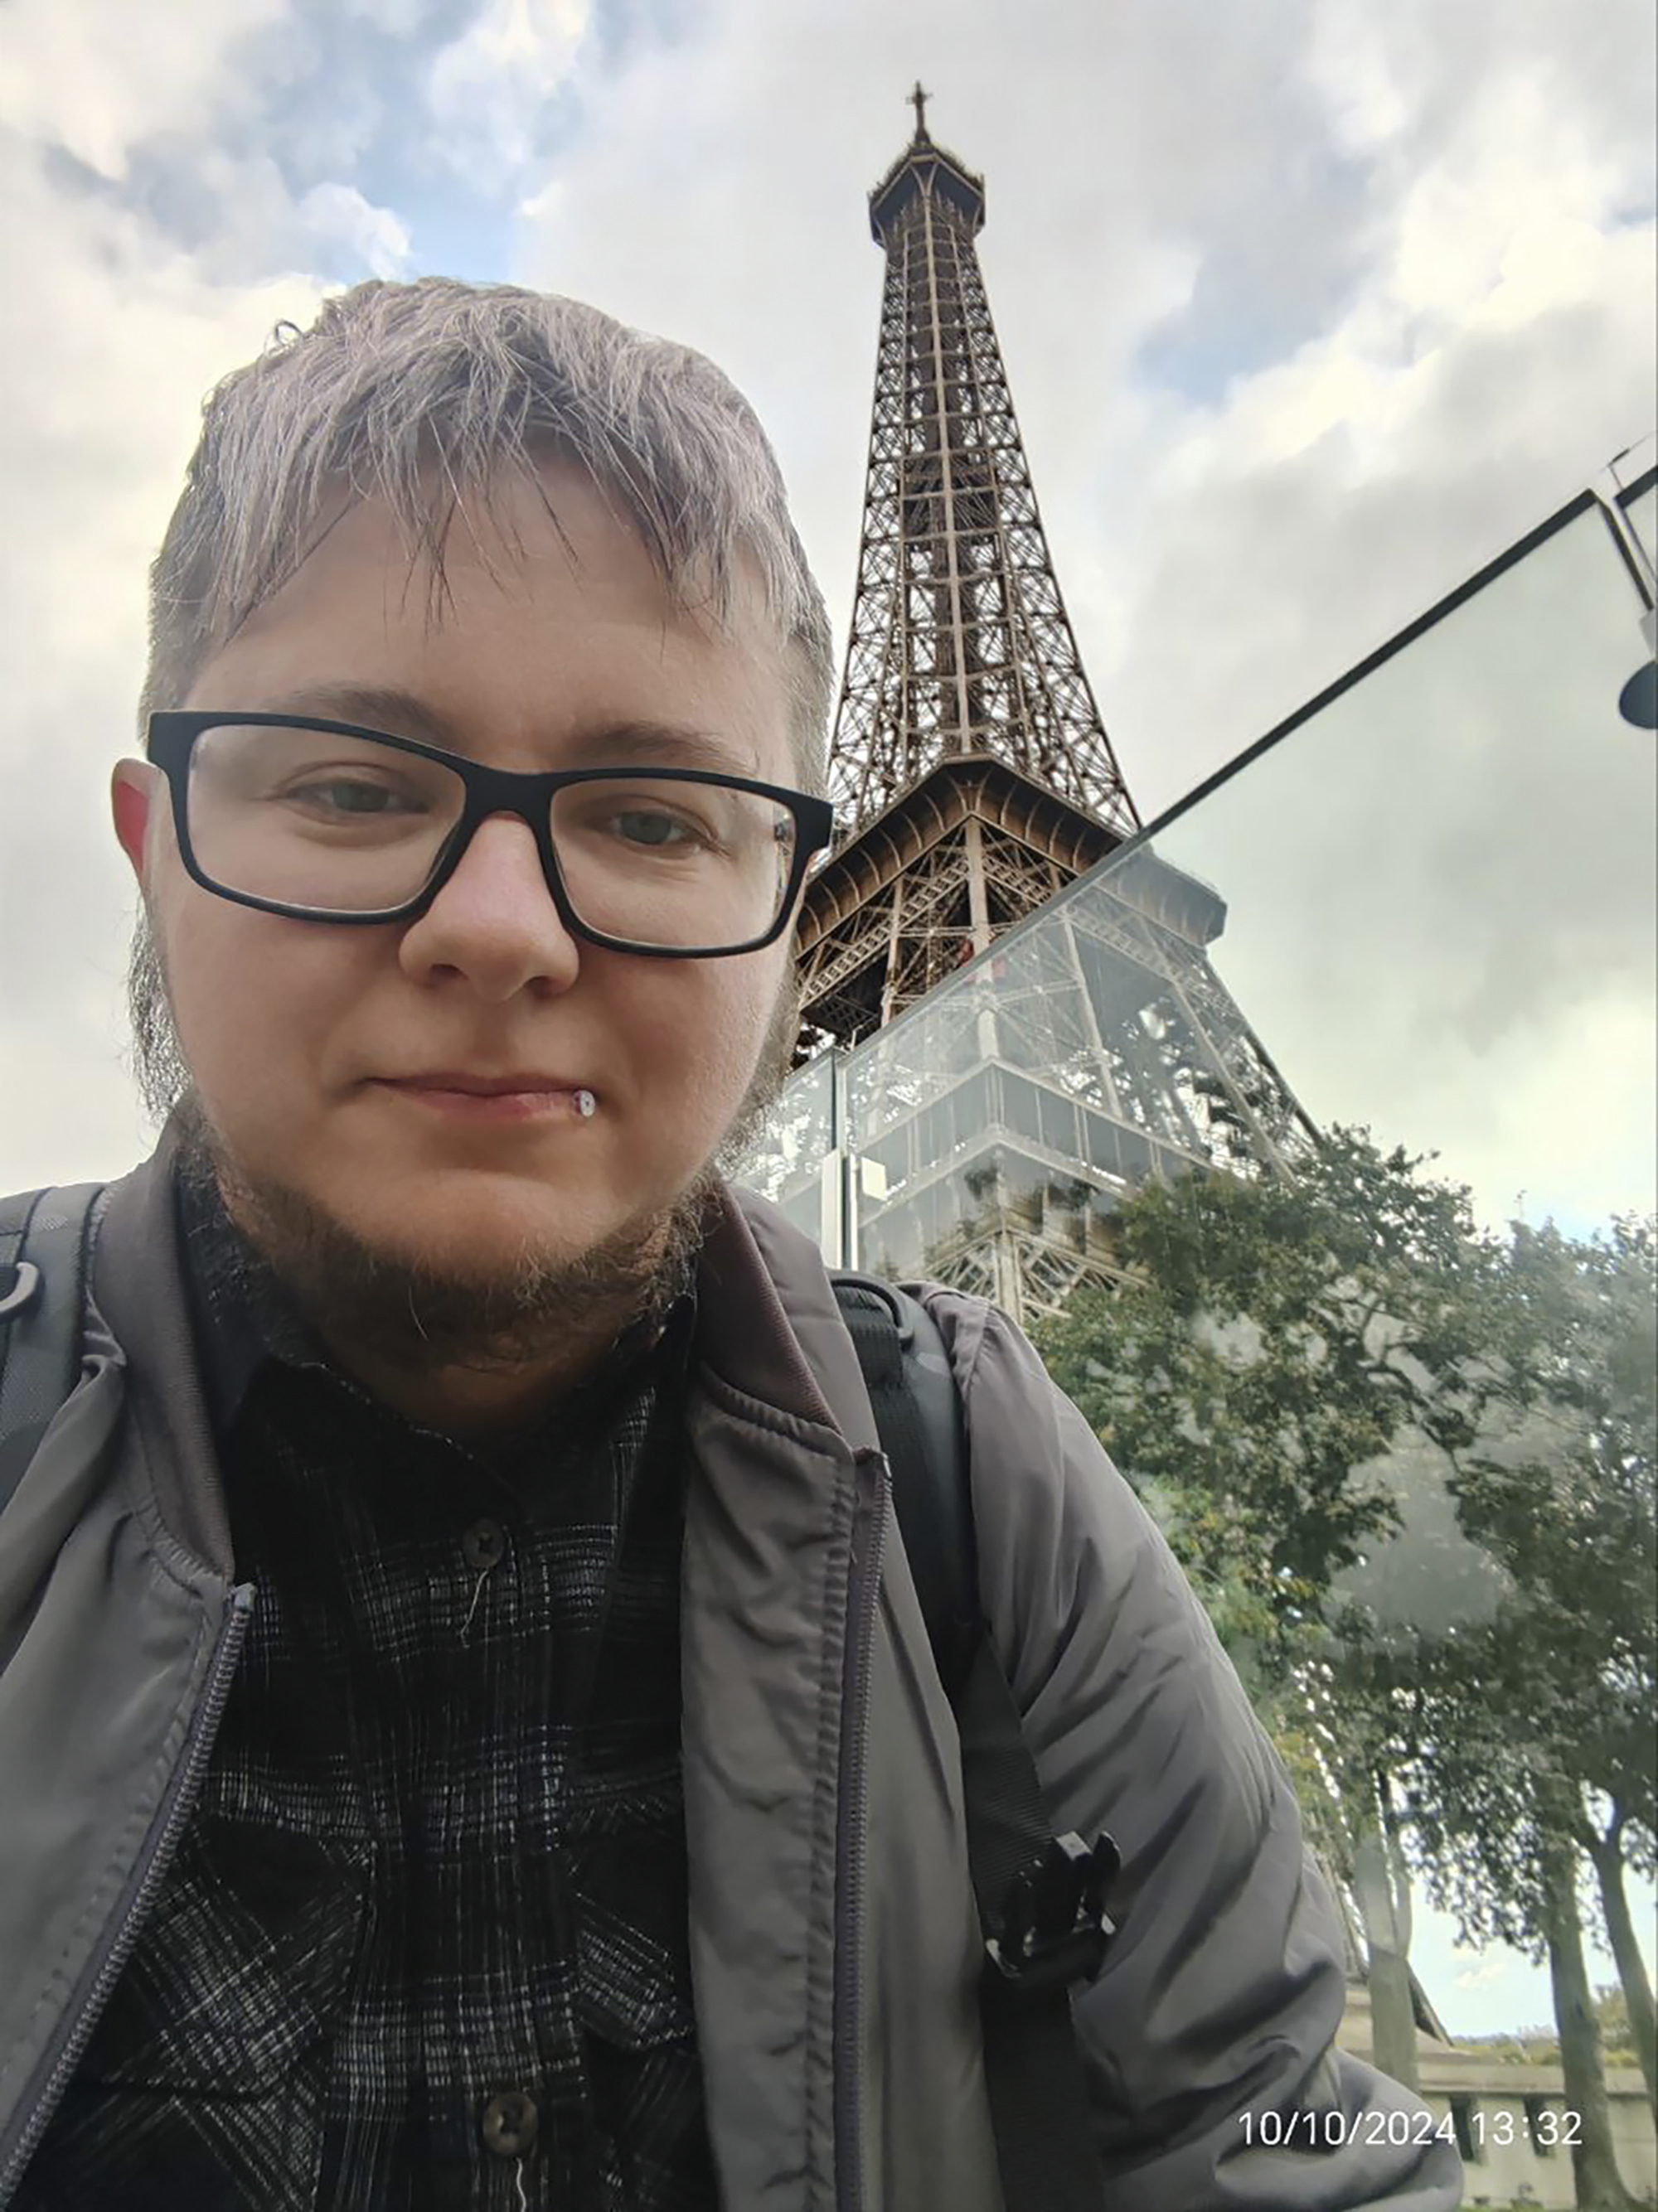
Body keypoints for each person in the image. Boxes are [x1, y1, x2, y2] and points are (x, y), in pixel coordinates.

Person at [0, 278, 1463, 2211]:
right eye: (353, 785)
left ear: (793, 920)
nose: (504, 929)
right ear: (152, 845)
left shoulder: (973, 1471)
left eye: (650, 817)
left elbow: (1277, 2125)